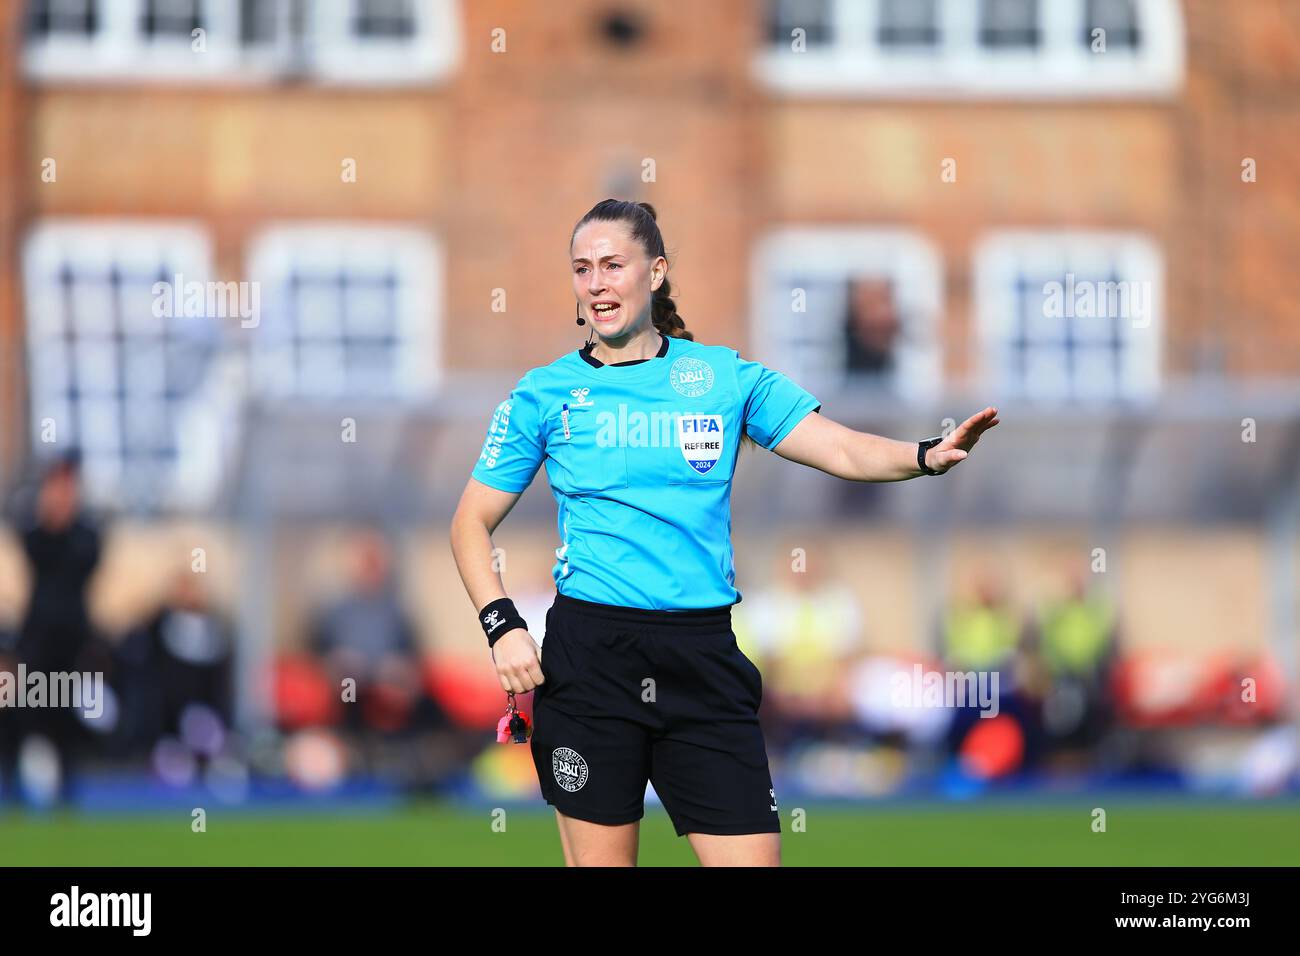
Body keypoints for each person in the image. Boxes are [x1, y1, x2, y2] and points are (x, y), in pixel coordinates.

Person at [449, 199, 998, 866]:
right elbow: (470, 522)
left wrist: (923, 456)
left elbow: (842, 450)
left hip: (702, 658)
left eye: (613, 265)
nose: (596, 284)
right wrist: (503, 625)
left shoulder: (721, 379)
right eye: (582, 269)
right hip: (591, 661)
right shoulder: (544, 393)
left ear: (655, 272)